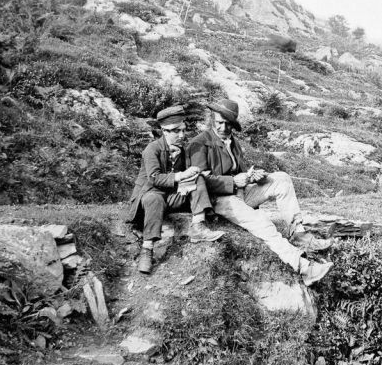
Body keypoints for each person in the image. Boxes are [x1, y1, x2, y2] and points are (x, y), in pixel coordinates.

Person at [186, 98, 333, 285]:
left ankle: (299, 233)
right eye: (219, 122)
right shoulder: (199, 144)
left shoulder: (233, 143)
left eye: (228, 124)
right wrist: (232, 181)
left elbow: (241, 172)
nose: (223, 128)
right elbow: (198, 181)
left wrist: (254, 176)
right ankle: (304, 268)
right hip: (219, 200)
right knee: (262, 222)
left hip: (240, 193)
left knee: (282, 178)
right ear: (211, 120)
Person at [126, 104, 224, 274]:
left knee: (198, 178)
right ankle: (147, 249)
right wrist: (181, 175)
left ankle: (198, 226)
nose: (182, 135)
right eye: (177, 131)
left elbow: (189, 175)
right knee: (154, 199)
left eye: (183, 130)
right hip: (149, 195)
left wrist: (196, 173)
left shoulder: (182, 150)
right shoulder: (152, 149)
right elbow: (154, 178)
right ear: (165, 131)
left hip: (171, 196)